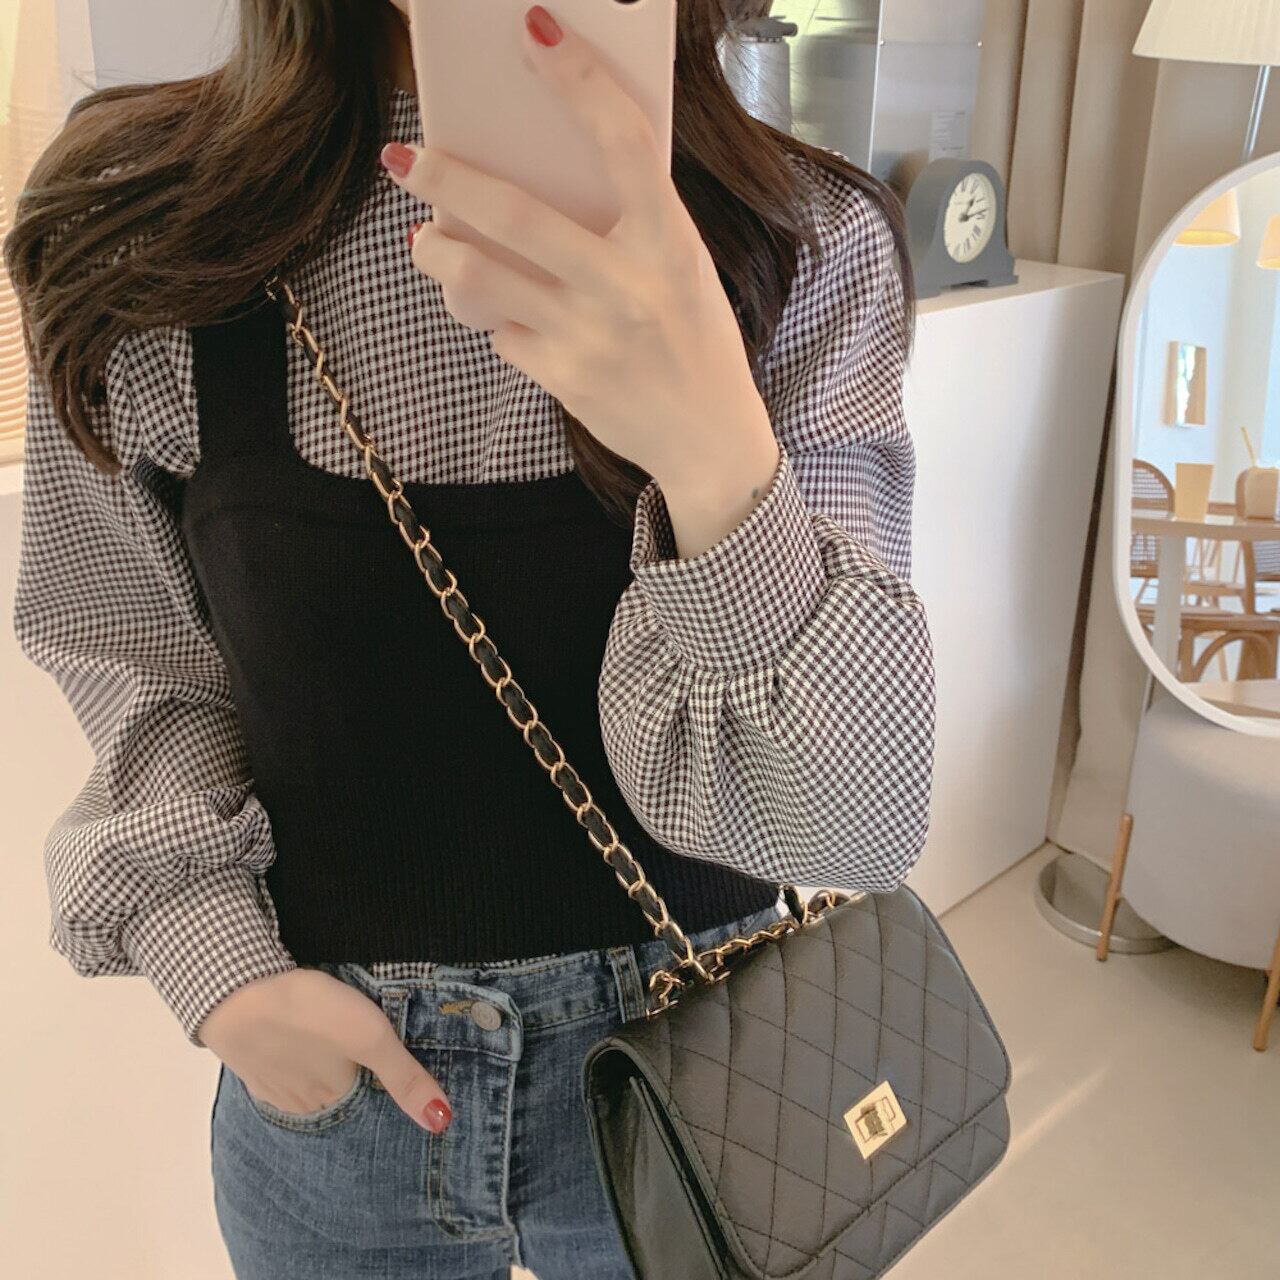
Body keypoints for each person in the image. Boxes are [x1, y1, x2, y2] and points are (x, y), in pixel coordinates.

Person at [5, 1, 935, 1275]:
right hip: (345, 1095)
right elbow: (136, 656)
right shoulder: (150, 225)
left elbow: (852, 819)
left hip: (708, 1065)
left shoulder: (802, 241)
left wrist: (713, 448)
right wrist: (213, 962)